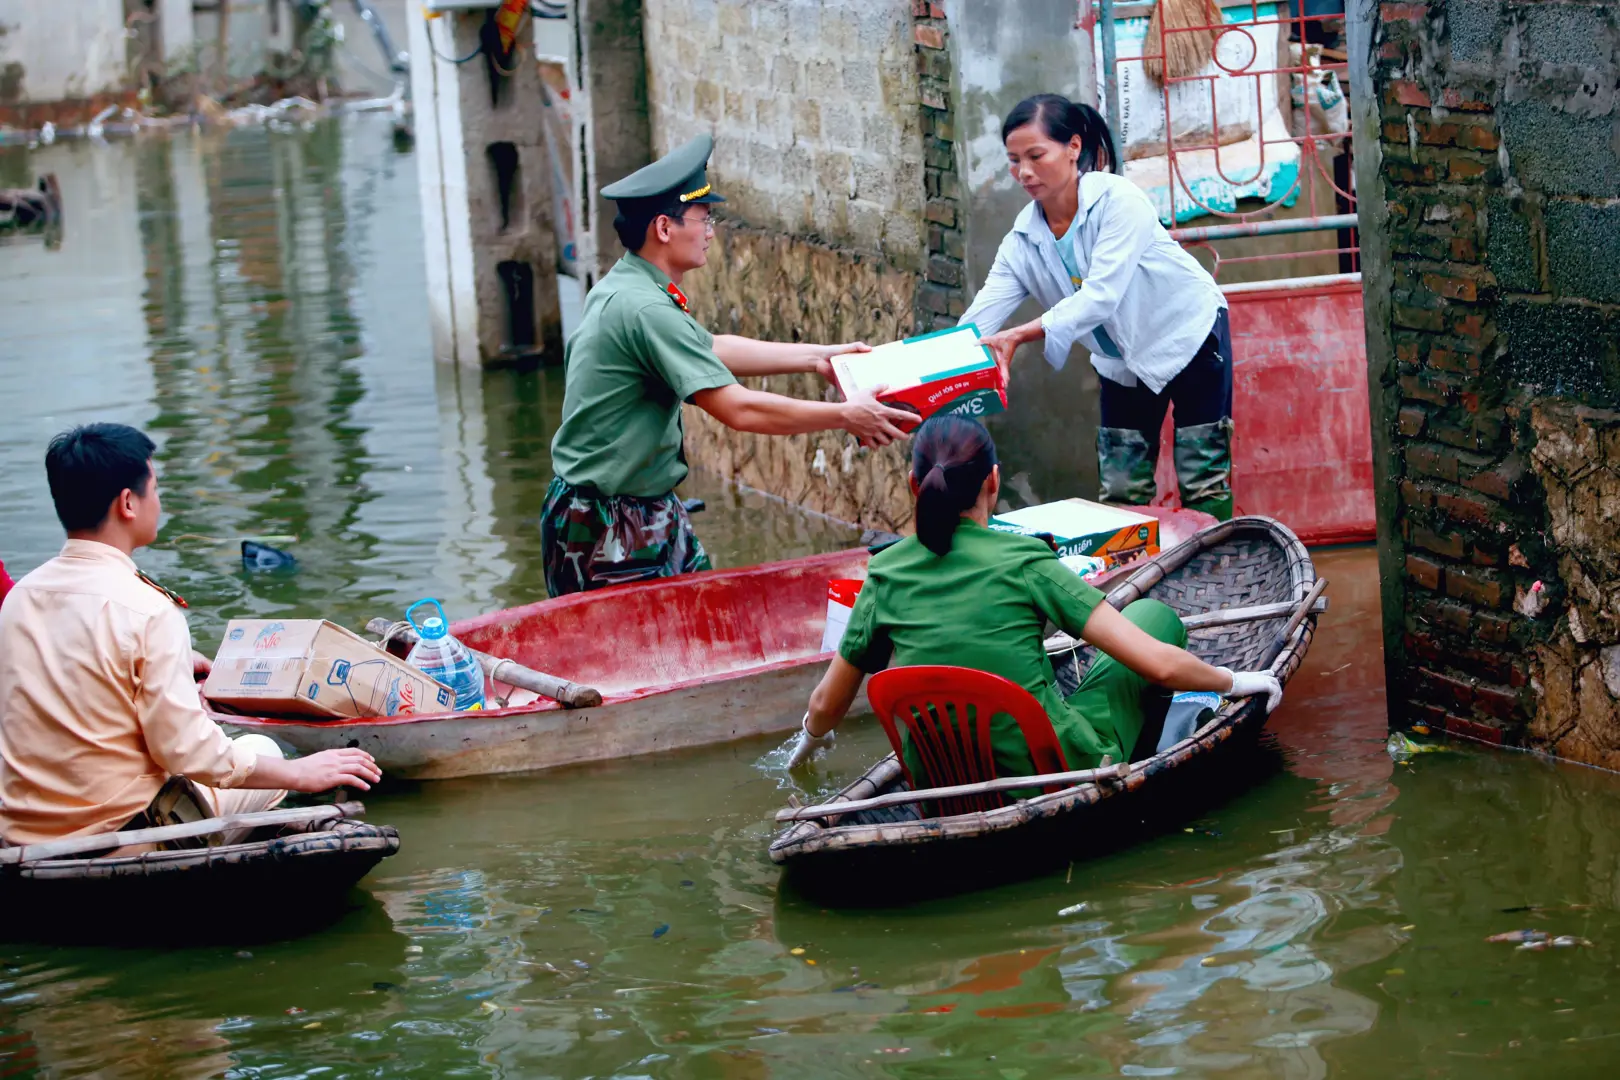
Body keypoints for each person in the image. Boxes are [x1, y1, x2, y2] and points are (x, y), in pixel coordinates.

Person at [787, 416, 1281, 774]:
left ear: (915, 484)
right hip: (1047, 770)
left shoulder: (884, 573)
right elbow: (1163, 667)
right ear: (994, 482)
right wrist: (1237, 682)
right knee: (1153, 617)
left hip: (939, 772)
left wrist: (804, 753)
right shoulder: (1026, 561)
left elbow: (826, 705)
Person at [543, 133, 917, 597]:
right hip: (608, 526)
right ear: (664, 228)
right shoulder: (644, 309)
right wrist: (845, 414)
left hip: (642, 509)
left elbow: (710, 347)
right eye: (703, 219)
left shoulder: (632, 286)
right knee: (639, 656)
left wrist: (819, 356)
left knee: (703, 623)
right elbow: (737, 410)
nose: (711, 231)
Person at [0, 423, 381, 849]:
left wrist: (174, 663)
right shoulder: (148, 610)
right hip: (121, 836)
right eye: (155, 489)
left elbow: (71, 671)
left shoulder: (19, 599)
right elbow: (187, 752)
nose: (157, 502)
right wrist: (302, 773)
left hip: (22, 834)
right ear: (128, 502)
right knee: (265, 751)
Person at [960, 94, 1236, 521]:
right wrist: (906, 376)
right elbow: (976, 324)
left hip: (1188, 337)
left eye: (1036, 155)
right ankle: (1137, 581)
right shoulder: (1021, 242)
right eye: (1014, 160)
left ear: (1073, 147)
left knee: (1202, 475)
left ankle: (1217, 574)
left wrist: (1020, 334)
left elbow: (1100, 296)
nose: (1025, 172)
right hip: (1119, 361)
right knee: (1123, 488)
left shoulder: (1118, 201)